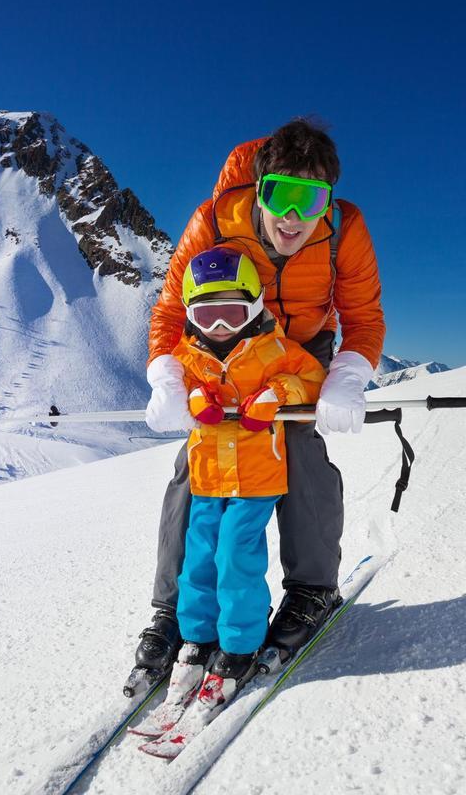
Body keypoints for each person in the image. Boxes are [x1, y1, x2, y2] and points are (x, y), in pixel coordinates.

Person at [135, 118, 385, 684]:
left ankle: (312, 589)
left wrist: (347, 375)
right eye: (281, 196)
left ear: (328, 202)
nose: (293, 217)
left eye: (311, 200)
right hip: (227, 339)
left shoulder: (345, 229)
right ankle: (173, 607)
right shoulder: (214, 221)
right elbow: (174, 309)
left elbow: (364, 317)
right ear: (260, 187)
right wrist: (167, 376)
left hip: (301, 350)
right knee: (198, 461)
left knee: (295, 445)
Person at [163, 245, 325, 709]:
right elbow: (176, 385)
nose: (219, 327)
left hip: (256, 478)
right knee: (198, 558)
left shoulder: (274, 349)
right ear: (191, 315)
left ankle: (239, 643)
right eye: (208, 315)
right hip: (208, 476)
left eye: (232, 313)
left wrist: (277, 393)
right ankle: (196, 636)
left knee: (235, 557)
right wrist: (193, 398)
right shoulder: (187, 355)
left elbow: (312, 378)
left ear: (253, 306)